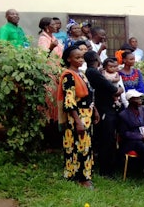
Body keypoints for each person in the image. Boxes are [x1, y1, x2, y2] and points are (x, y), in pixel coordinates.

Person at [59, 42, 95, 188]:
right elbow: (69, 101)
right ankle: (83, 178)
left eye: (82, 57)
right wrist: (78, 121)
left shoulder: (81, 74)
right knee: (80, 146)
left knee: (83, 145)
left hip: (87, 114)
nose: (81, 60)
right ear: (69, 59)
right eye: (77, 57)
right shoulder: (69, 76)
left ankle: (76, 174)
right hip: (78, 116)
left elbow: (89, 94)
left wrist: (95, 111)